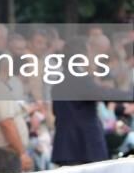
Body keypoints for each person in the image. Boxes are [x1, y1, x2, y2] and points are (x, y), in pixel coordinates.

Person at [50, 37, 132, 166]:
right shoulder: (79, 79)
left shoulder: (58, 83)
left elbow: (56, 111)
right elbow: (103, 94)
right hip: (83, 146)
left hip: (67, 146)